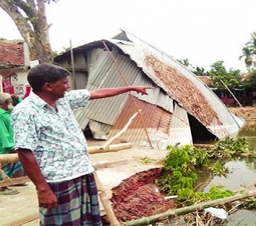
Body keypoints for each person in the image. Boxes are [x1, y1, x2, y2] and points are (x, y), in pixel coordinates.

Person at [11, 63, 154, 225]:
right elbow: (24, 152)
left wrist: (130, 88)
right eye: (64, 83)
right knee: (62, 222)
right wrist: (43, 189)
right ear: (48, 87)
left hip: (82, 172)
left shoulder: (64, 100)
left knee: (86, 220)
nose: (68, 86)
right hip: (59, 179)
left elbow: (98, 93)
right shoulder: (25, 111)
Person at [0, 92, 25, 195]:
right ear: (5, 102)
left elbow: (20, 107)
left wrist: (17, 100)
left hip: (10, 142)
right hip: (3, 145)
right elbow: (1, 132)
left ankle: (16, 181)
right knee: (3, 165)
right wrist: (9, 146)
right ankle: (3, 188)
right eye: (10, 101)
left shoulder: (5, 112)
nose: (11, 102)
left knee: (14, 163)